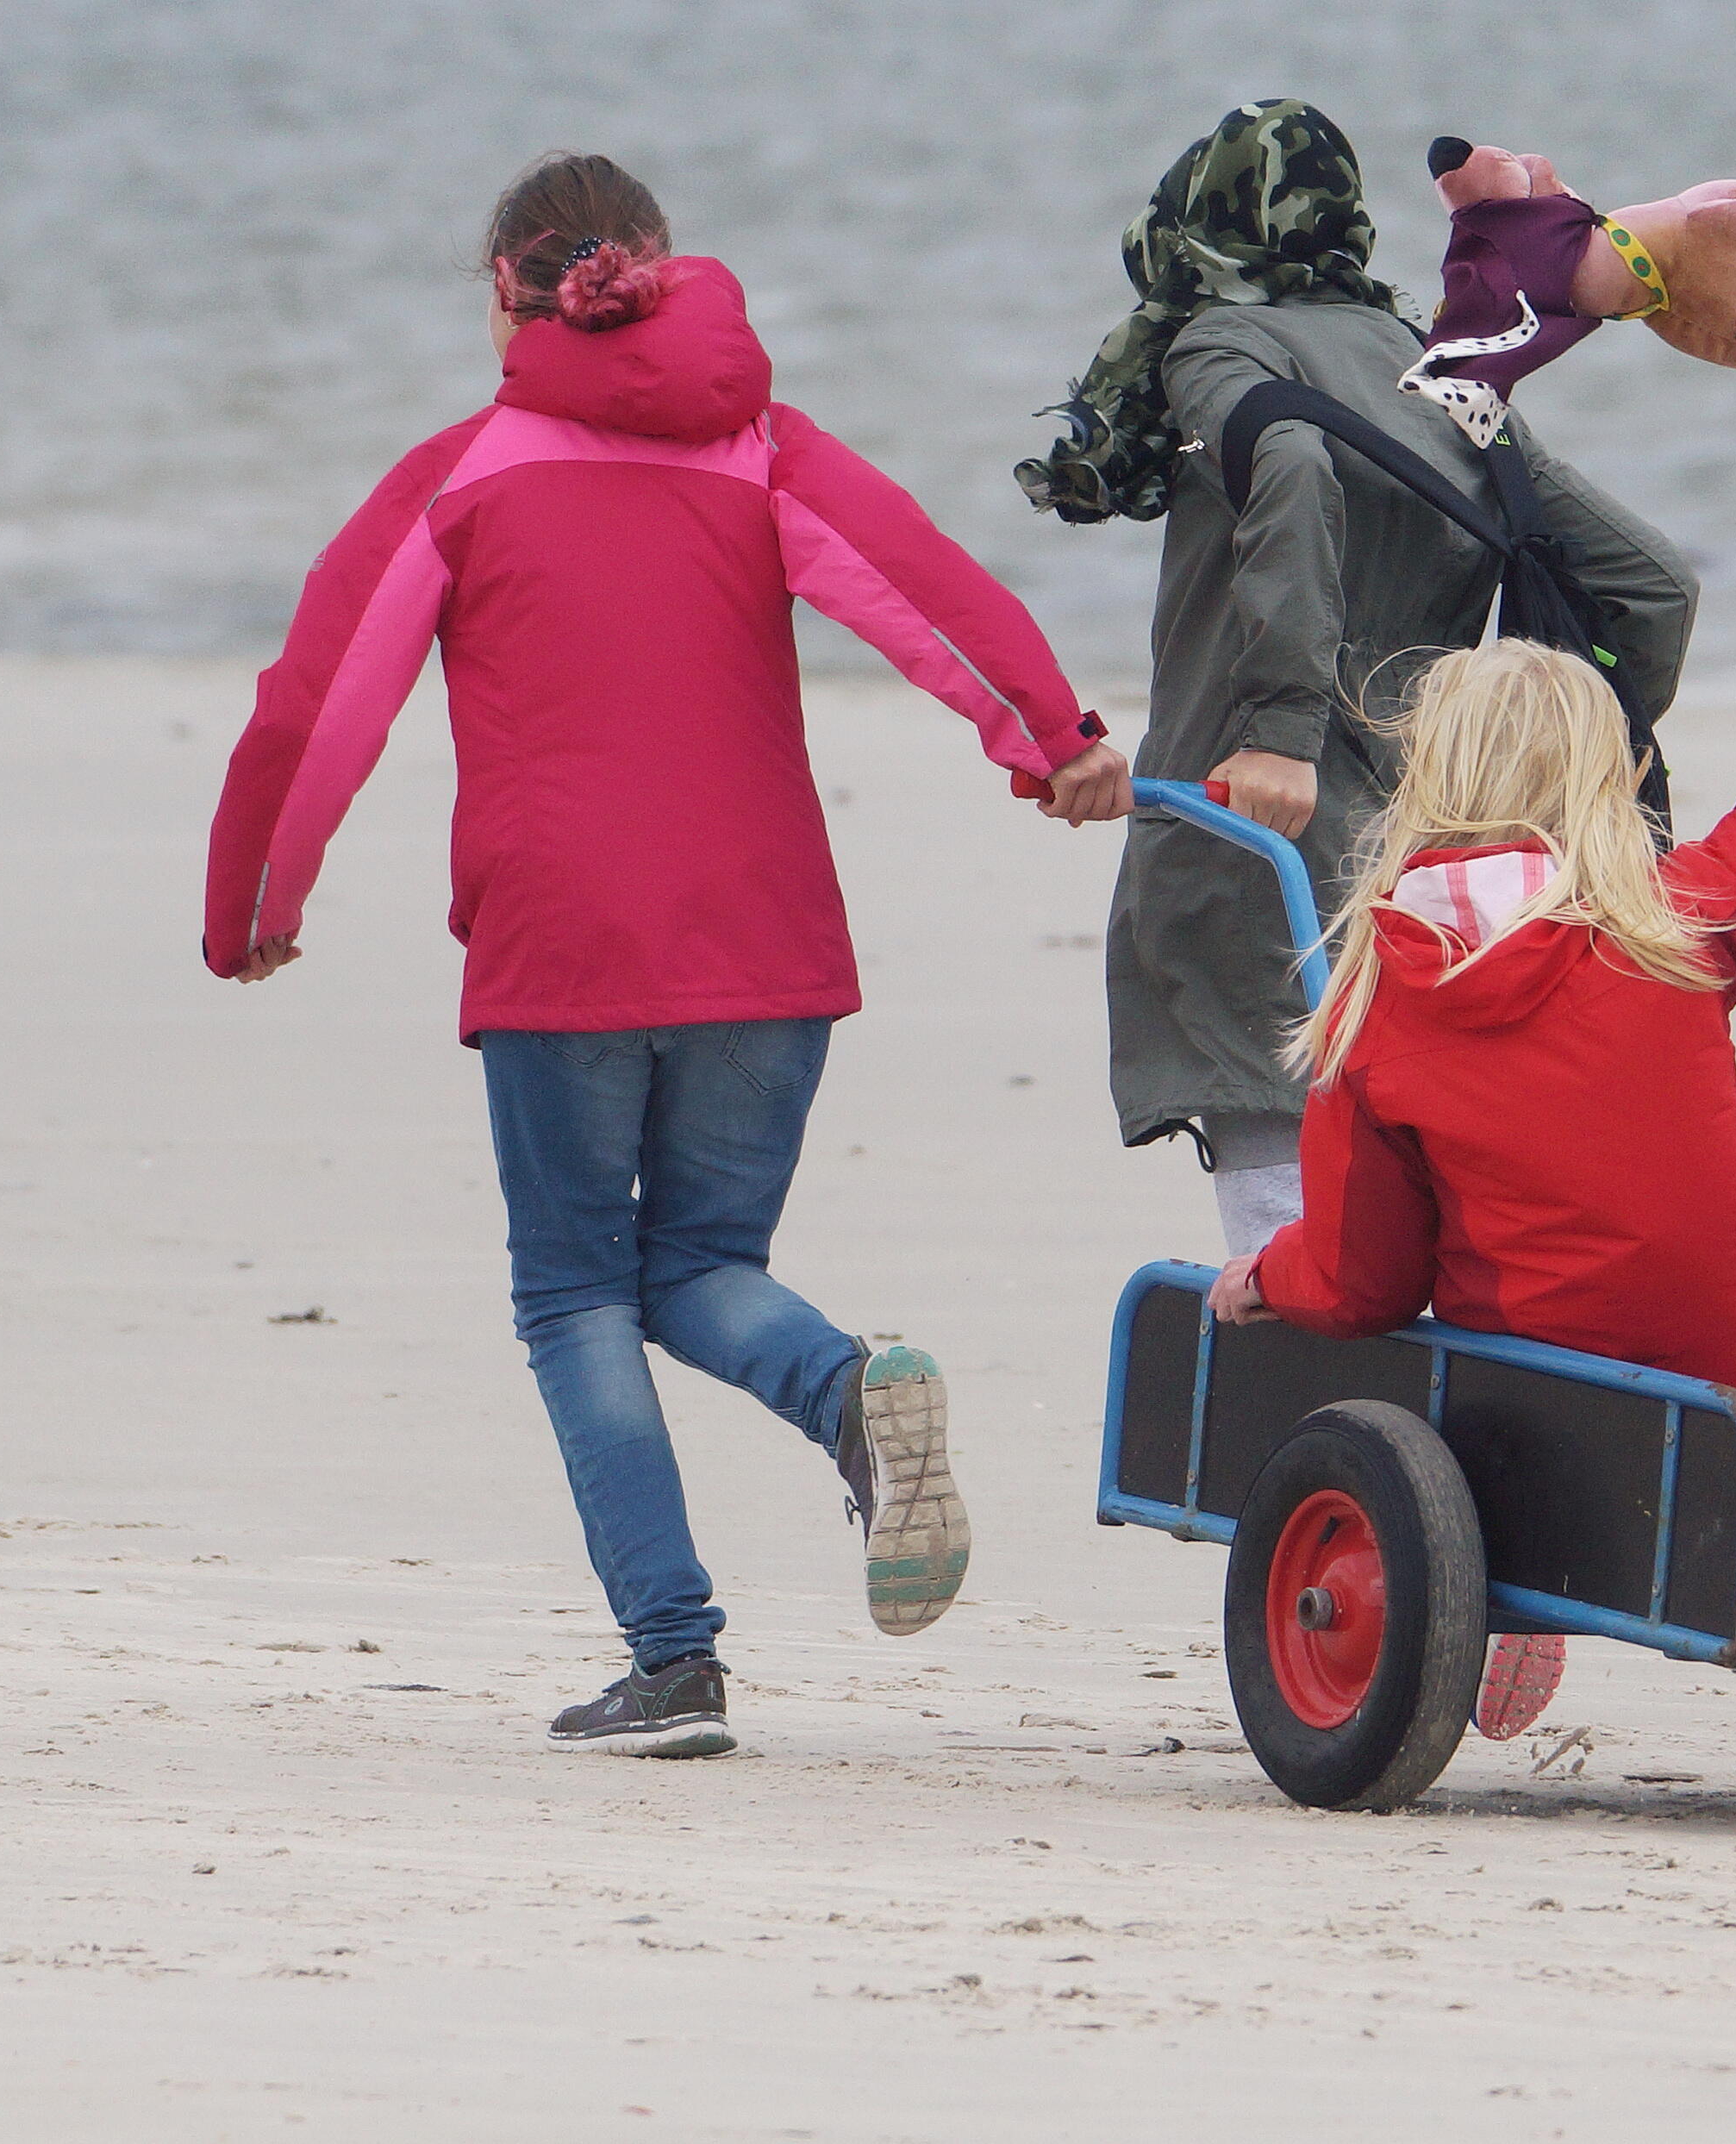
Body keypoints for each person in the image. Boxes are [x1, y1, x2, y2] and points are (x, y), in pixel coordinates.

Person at [206, 152, 1130, 1761]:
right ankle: (842, 1393)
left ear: (506, 292)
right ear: (661, 269)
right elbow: (928, 587)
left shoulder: (459, 472)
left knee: (574, 1291)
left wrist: (258, 909)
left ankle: (674, 1658)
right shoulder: (761, 448)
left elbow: (319, 704)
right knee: (696, 1266)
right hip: (766, 940)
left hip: (563, 949)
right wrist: (1046, 740)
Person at [1210, 272, 1736, 1468]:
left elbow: (1358, 1285)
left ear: (1424, 776)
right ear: (1604, 773)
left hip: (1536, 1439)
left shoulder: (1374, 999)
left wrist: (1261, 1279)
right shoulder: (1671, 927)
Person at [1015, 98, 1693, 1255]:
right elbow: (1649, 585)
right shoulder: (1424, 365)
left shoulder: (1215, 343)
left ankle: (1321, 1424)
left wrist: (1280, 730)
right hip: (1435, 861)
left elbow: (1287, 458)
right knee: (1420, 1206)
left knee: (1288, 1208)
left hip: (1252, 837)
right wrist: (1560, 774)